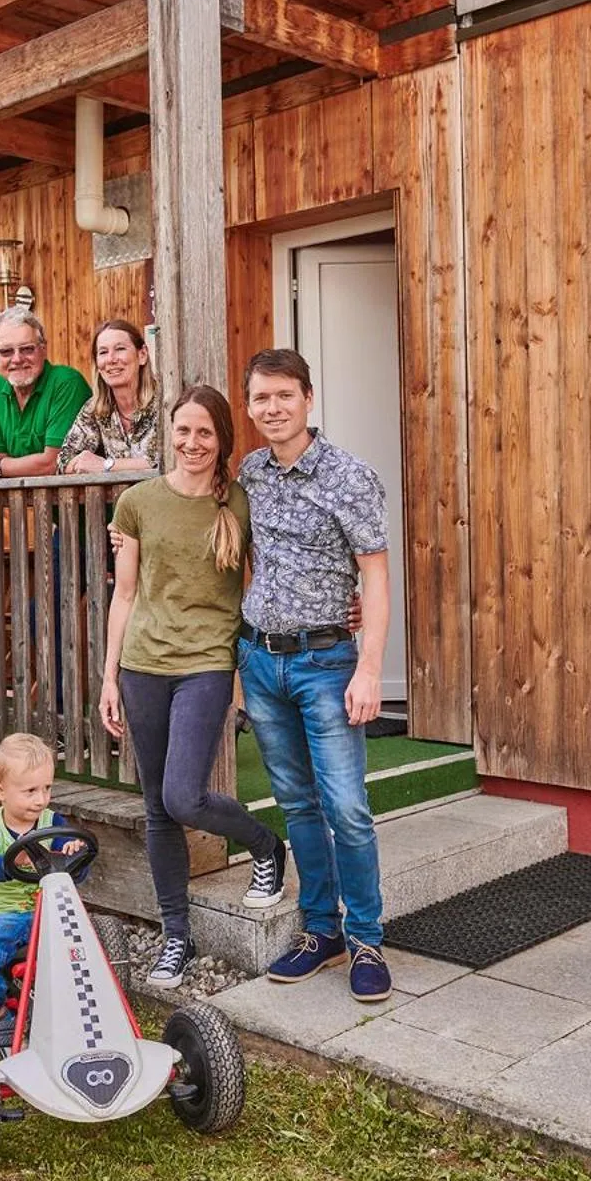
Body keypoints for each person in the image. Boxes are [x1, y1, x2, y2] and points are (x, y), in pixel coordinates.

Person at [101, 385, 287, 991]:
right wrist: (108, 675)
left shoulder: (241, 502)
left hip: (207, 662)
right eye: (182, 431)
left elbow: (274, 575)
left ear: (222, 440)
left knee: (185, 797)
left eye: (205, 432)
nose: (192, 443)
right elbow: (124, 593)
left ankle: (264, 844)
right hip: (141, 665)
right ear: (169, 434)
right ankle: (175, 936)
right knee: (157, 806)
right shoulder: (137, 503)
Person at [238, 348, 395, 1002]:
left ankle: (365, 939)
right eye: (261, 398)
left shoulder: (349, 476)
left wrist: (369, 670)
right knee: (298, 804)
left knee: (347, 809)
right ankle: (320, 931)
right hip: (261, 658)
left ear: (308, 398)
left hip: (327, 662)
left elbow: (378, 581)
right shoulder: (250, 471)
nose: (272, 408)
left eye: (284, 395)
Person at [0, 732, 89, 1047]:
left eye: (46, 788)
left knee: (84, 949)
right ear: (0, 790)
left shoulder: (52, 822)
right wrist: (10, 861)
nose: (41, 799)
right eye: (30, 791)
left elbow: (73, 867)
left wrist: (74, 853)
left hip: (47, 911)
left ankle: (76, 1008)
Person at [0, 306, 92, 479]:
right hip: (30, 504)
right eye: (6, 351)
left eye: (27, 349)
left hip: (84, 502)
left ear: (43, 349)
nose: (17, 359)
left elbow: (54, 462)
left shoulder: (66, 382)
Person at [57, 319, 160, 474]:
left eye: (120, 349)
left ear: (142, 355)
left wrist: (107, 465)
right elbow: (62, 462)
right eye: (103, 352)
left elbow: (167, 461)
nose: (111, 359)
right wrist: (83, 461)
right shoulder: (95, 408)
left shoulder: (165, 401)